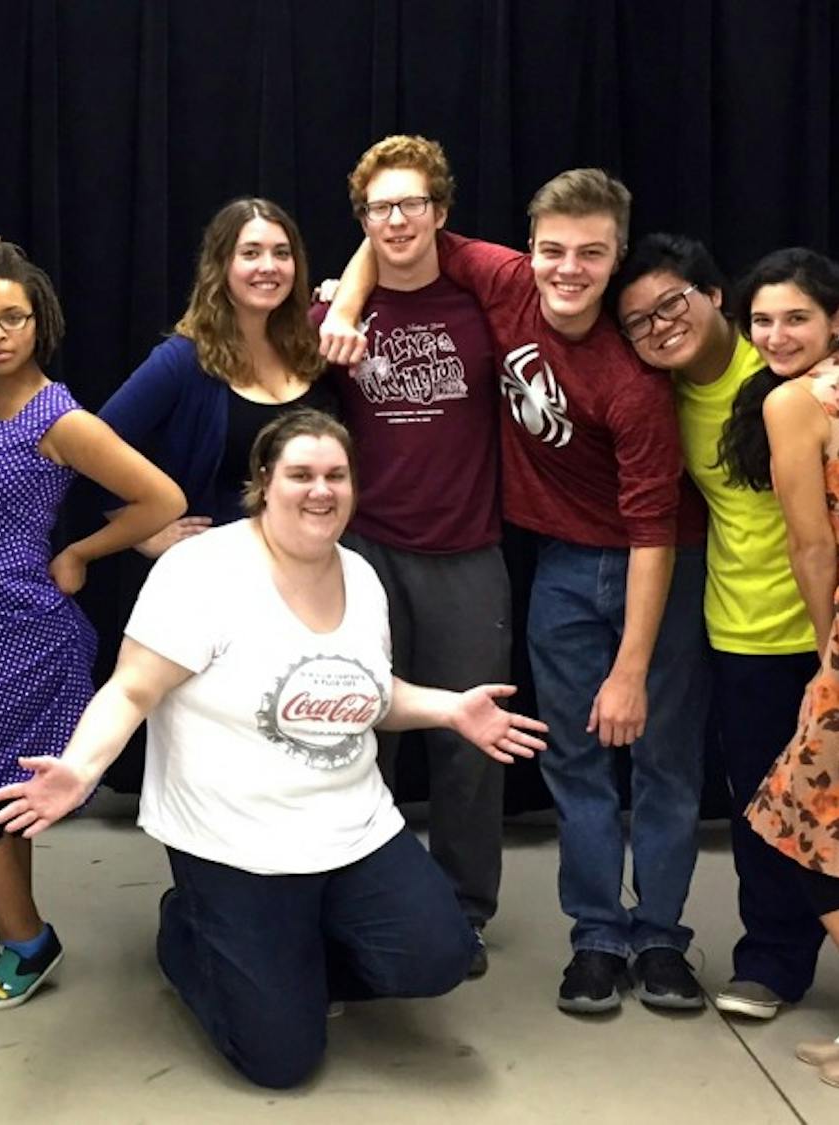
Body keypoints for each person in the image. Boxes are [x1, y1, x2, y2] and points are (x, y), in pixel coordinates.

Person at [0, 408, 546, 1088]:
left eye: (337, 476)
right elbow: (132, 689)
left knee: (440, 957)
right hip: (235, 840)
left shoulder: (360, 575)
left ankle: (286, 956)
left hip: (352, 828)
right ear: (264, 480)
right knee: (280, 1060)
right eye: (301, 475)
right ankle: (187, 930)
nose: (321, 491)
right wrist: (81, 768)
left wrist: (450, 709)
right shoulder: (203, 570)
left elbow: (365, 692)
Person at [321, 167, 710, 1015]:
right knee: (574, 759)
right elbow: (393, 233)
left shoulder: (632, 380)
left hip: (656, 565)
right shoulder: (502, 280)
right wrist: (345, 307)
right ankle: (597, 935)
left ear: (615, 259)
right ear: (527, 248)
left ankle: (661, 937)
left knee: (662, 760)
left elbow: (653, 531)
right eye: (554, 250)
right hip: (561, 563)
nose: (569, 269)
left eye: (592, 255)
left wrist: (632, 669)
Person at [0, 237, 184, 1011]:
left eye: (12, 318)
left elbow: (161, 499)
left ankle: (29, 940)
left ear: (41, 322)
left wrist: (80, 552)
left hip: (18, 632)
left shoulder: (59, 418)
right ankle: (13, 941)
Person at [309, 136, 506, 974]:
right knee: (360, 732)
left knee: (470, 744)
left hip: (467, 550)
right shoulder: (333, 318)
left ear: (440, 212)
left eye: (411, 203)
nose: (396, 220)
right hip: (365, 553)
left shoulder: (482, 301)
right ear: (362, 219)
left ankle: (464, 911)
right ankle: (366, 900)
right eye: (379, 207)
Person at [617, 235, 823, 1021]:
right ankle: (771, 960)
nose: (660, 325)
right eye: (639, 320)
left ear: (713, 297)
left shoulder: (790, 378)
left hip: (825, 626)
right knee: (761, 810)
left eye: (672, 303)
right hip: (744, 631)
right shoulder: (661, 394)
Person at [726, 249, 839, 1086]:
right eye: (761, 320)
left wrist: (825, 656)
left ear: (833, 321)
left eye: (796, 317)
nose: (775, 335)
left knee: (799, 821)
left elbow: (812, 546)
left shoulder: (794, 402)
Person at [99, 196, 338, 552]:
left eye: (282, 253)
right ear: (221, 265)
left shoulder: (313, 346)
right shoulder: (183, 360)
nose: (269, 266)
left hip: (313, 561)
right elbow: (93, 447)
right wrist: (142, 533)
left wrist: (346, 297)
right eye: (251, 253)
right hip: (222, 570)